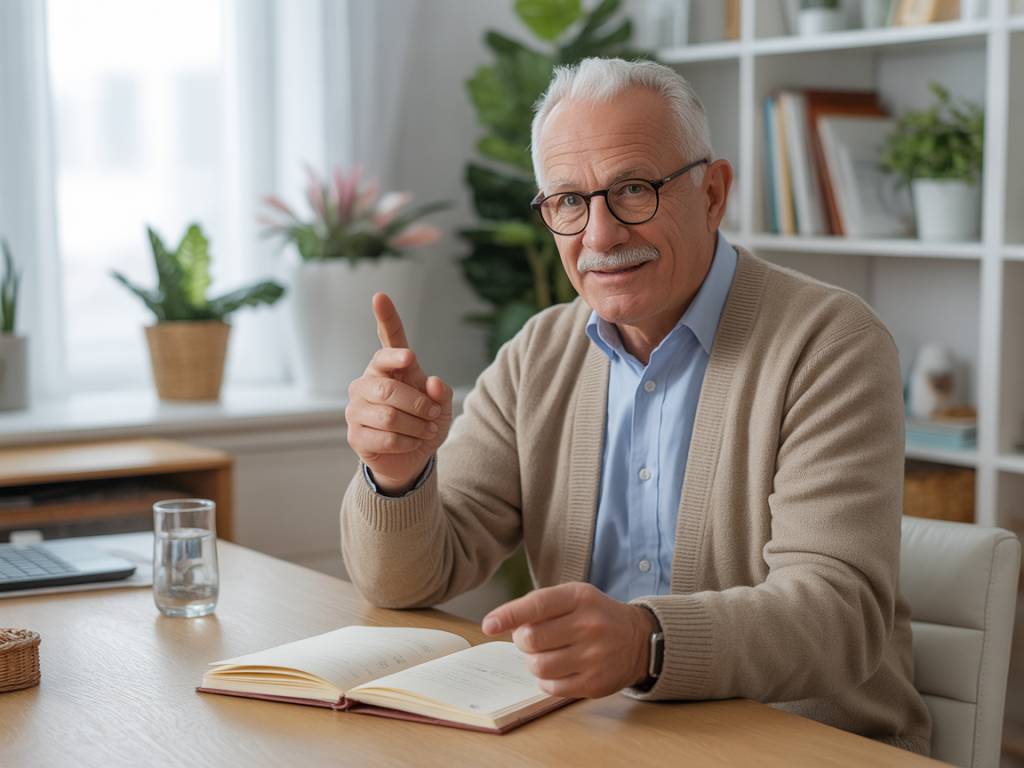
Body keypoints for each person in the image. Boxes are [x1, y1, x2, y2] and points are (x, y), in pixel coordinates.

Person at [340, 57, 931, 754]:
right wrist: (398, 476)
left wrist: (647, 641)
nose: (600, 236)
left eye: (633, 189)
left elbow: (839, 614)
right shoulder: (539, 355)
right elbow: (410, 581)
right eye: (568, 201)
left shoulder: (830, 344)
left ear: (713, 194)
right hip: (602, 739)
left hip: (805, 745)